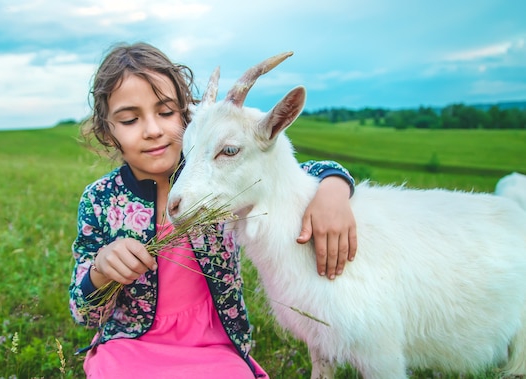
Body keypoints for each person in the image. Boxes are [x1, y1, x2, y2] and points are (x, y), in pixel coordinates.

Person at [69, 42, 357, 378]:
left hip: (213, 345)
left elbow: (293, 173)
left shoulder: (221, 179)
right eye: (131, 119)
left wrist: (333, 187)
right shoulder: (101, 200)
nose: (153, 130)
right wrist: (102, 269)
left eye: (165, 113)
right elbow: (84, 312)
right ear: (108, 130)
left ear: (187, 115)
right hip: (132, 345)